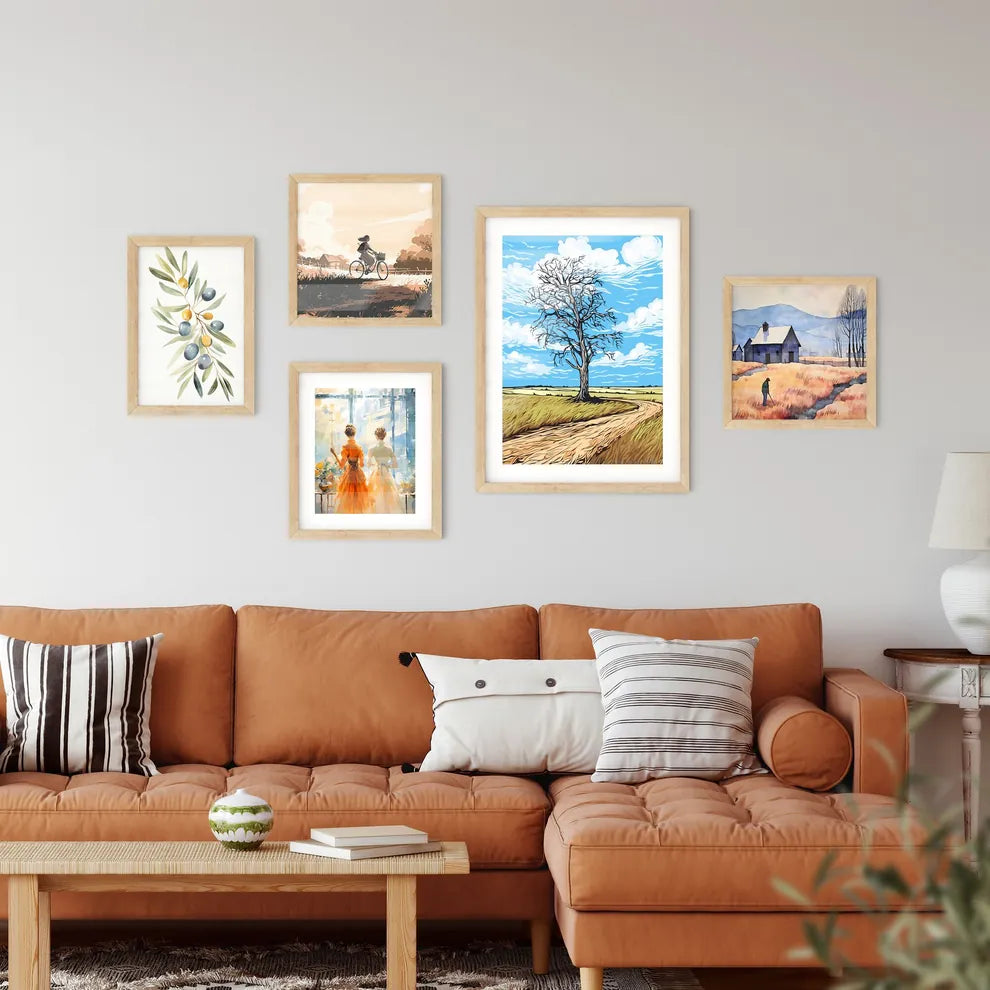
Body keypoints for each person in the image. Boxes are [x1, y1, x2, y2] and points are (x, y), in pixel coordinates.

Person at [329, 425, 371, 514]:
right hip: (358, 474)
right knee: (359, 499)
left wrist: (334, 454)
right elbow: (362, 465)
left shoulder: (345, 447)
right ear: (354, 434)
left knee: (347, 498)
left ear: (346, 435)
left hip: (349, 474)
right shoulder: (359, 448)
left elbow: (341, 465)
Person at [367, 427, 402, 513]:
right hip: (386, 472)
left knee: (376, 493)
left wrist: (376, 464)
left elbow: (368, 464)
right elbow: (395, 464)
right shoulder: (389, 448)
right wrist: (387, 465)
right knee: (388, 495)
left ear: (376, 436)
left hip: (377, 472)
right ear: (384, 436)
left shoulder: (372, 449)